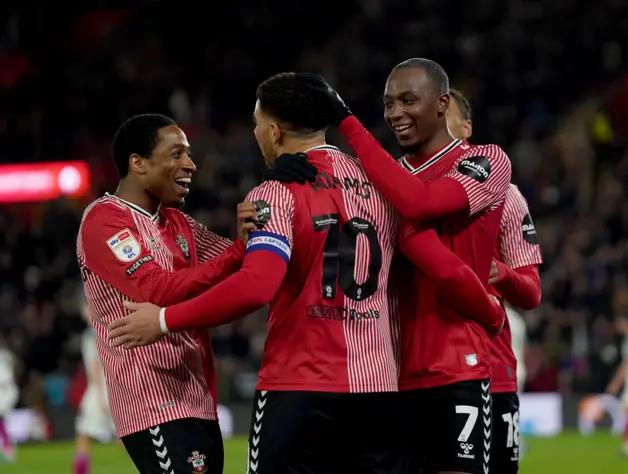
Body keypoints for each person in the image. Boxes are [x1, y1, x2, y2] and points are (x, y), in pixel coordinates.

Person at [107, 72, 505, 474]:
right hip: (379, 391)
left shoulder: (275, 193)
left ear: (275, 133)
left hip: (298, 390)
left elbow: (256, 287)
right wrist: (489, 309)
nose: (257, 134)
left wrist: (162, 320)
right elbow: (440, 262)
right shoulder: (384, 185)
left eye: (257, 125)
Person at [304, 59, 512, 474]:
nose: (395, 112)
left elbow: (420, 203)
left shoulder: (485, 160)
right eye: (387, 104)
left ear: (442, 102)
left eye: (408, 100)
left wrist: (346, 121)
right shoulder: (384, 180)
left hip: (457, 366)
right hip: (388, 375)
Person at [77, 113, 311, 474]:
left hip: (198, 398)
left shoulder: (179, 224)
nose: (190, 164)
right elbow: (155, 288)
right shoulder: (104, 220)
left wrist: (288, 192)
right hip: (152, 401)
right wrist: (237, 251)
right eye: (176, 154)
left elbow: (249, 268)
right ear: (137, 163)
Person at [447, 88, 543, 474]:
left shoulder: (506, 195)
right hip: (415, 371)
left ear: (465, 127)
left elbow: (532, 291)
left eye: (444, 114)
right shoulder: (403, 191)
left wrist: (498, 272)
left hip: (490, 370)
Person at [73, 293, 117, 474]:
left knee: (84, 436)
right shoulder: (106, 331)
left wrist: (101, 398)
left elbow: (97, 367)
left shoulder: (92, 336)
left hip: (100, 391)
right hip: (112, 388)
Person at [607, 300, 628, 456]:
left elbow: (627, 364)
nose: (619, 326)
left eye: (621, 323)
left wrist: (615, 383)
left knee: (626, 409)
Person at [0, 335, 17, 463]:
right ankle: (7, 448)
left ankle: (8, 449)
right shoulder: (6, 354)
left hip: (5, 392)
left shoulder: (4, 355)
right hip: (8, 390)